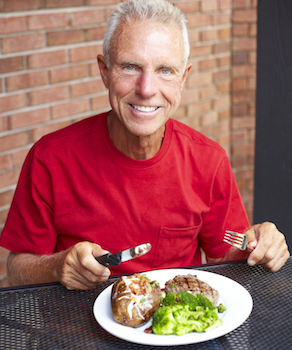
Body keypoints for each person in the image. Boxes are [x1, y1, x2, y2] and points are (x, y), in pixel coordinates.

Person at [0, 0, 289, 290]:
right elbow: (16, 269)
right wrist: (58, 265)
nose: (146, 89)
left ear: (183, 78)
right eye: (130, 67)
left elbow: (225, 257)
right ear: (104, 71)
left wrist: (260, 248)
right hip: (73, 330)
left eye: (165, 70)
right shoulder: (50, 158)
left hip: (177, 328)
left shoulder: (208, 160)